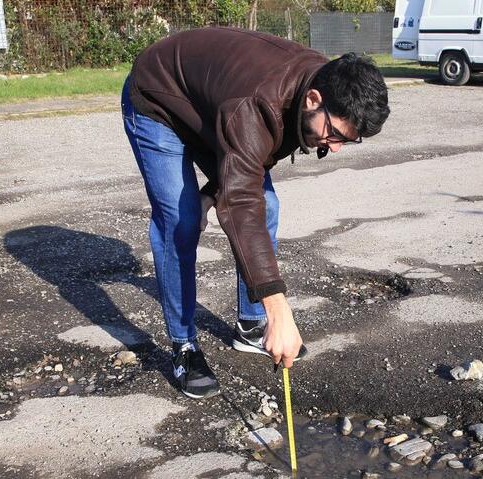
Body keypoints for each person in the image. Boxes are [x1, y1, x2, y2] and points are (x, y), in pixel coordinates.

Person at [120, 27, 390, 399]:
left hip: (214, 107)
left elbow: (252, 160)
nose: (337, 148)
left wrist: (210, 194)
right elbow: (243, 199)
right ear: (314, 99)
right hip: (158, 100)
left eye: (347, 140)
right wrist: (279, 308)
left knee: (269, 206)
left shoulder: (313, 90)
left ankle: (251, 324)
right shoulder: (257, 106)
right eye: (335, 135)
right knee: (180, 222)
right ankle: (184, 345)